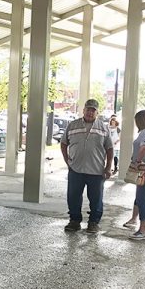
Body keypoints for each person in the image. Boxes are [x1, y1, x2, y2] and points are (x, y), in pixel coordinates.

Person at [60, 99, 113, 233]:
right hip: (76, 169)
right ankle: (74, 221)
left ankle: (93, 222)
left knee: (96, 199)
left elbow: (110, 148)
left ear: (97, 112)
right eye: (88, 109)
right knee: (73, 197)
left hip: (96, 170)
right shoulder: (72, 125)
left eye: (93, 110)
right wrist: (67, 162)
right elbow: (64, 143)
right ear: (83, 110)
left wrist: (108, 167)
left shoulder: (103, 127)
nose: (90, 112)